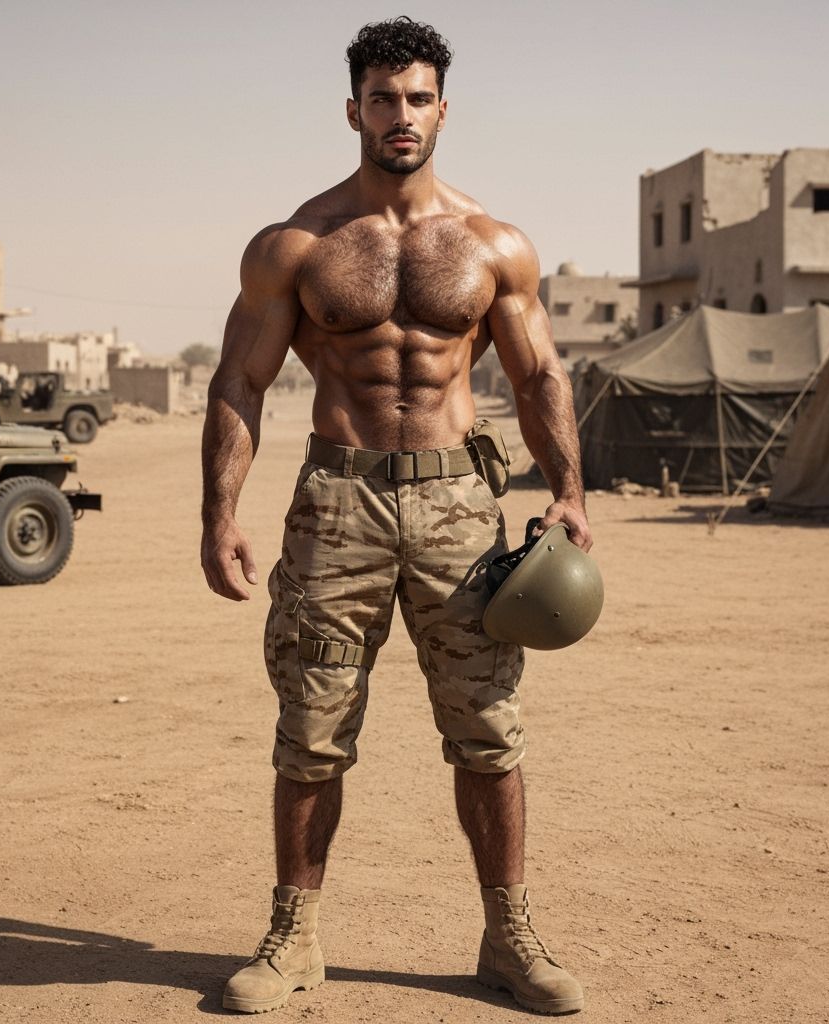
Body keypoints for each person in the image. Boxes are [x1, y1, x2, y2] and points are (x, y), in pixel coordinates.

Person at [201, 16, 592, 1016]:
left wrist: (568, 490)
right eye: (383, 98)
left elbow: (539, 370)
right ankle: (293, 940)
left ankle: (507, 935)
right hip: (337, 502)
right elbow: (239, 383)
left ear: (442, 110)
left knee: (489, 729)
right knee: (311, 730)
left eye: (418, 98)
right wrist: (220, 513)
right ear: (353, 110)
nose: (401, 115)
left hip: (462, 501)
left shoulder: (492, 244)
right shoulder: (298, 245)